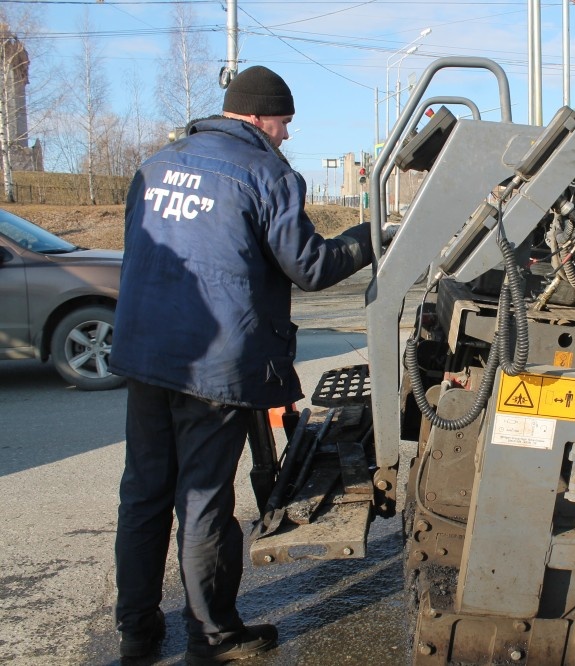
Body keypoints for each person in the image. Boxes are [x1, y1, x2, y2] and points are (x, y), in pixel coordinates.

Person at [110, 66, 379, 664]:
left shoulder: (157, 164)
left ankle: (137, 631)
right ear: (259, 116)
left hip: (146, 352)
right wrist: (370, 237)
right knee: (204, 500)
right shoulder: (267, 173)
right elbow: (309, 268)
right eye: (283, 122)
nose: (286, 134)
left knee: (145, 492)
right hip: (215, 365)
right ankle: (214, 637)